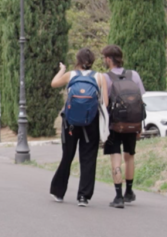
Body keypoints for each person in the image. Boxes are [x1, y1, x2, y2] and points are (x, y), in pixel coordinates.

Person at [49, 48, 108, 206]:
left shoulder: (71, 75)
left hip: (70, 123)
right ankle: (83, 196)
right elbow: (105, 103)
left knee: (67, 156)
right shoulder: (100, 77)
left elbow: (53, 83)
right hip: (91, 123)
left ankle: (58, 192)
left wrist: (62, 70)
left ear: (78, 60)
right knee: (88, 159)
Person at [102, 44, 145, 208]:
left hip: (114, 124)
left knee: (116, 158)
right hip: (133, 124)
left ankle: (118, 196)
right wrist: (139, 125)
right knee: (129, 156)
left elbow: (104, 102)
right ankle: (129, 191)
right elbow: (141, 98)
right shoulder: (133, 75)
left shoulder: (106, 78)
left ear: (108, 59)